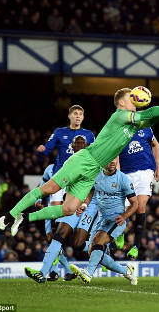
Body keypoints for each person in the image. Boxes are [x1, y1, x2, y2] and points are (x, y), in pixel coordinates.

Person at [0, 89, 159, 235]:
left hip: (94, 170)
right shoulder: (119, 116)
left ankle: (24, 217)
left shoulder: (131, 124)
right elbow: (146, 115)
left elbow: (153, 118)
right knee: (49, 189)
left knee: (69, 209)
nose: (135, 100)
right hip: (84, 160)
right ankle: (10, 215)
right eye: (131, 98)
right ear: (121, 103)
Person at [24, 136, 96, 282]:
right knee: (59, 235)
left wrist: (84, 204)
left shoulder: (91, 162)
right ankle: (43, 273)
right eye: (77, 144)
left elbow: (92, 190)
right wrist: (38, 199)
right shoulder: (64, 165)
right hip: (70, 205)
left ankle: (101, 248)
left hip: (87, 206)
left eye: (83, 143)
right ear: (72, 147)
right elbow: (46, 186)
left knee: (78, 244)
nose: (80, 146)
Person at [70, 158, 139, 285]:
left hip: (117, 219)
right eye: (110, 160)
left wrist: (124, 216)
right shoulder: (96, 175)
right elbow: (90, 193)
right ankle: (126, 271)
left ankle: (88, 273)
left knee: (98, 241)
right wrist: (84, 205)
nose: (112, 163)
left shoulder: (122, 179)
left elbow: (135, 204)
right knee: (94, 251)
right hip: (101, 219)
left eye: (115, 161)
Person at [36, 105, 95, 207]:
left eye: (80, 114)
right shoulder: (59, 132)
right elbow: (48, 148)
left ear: (83, 117)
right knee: (55, 208)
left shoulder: (89, 134)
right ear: (69, 116)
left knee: (73, 209)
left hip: (77, 176)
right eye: (75, 114)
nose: (78, 116)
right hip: (60, 174)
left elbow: (95, 153)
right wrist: (42, 150)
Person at [118, 127, 159, 260]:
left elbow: (156, 145)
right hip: (126, 173)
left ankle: (136, 246)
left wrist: (158, 167)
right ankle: (120, 233)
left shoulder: (146, 127)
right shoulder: (119, 129)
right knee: (124, 209)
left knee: (140, 207)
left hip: (145, 171)